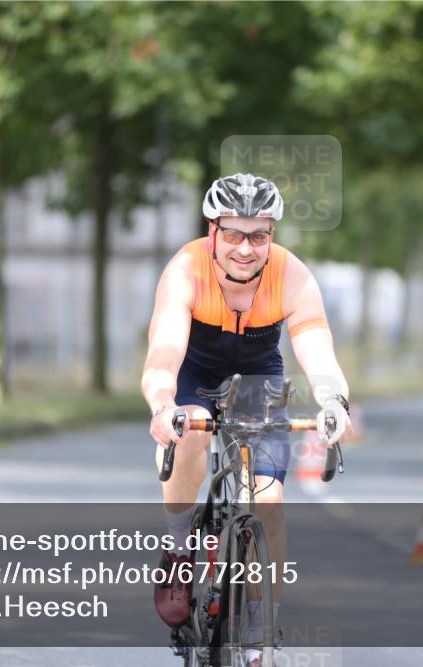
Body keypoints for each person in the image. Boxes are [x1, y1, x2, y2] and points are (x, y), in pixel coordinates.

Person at [141, 173, 353, 659]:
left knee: (270, 499)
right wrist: (161, 404)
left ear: (272, 235)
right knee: (190, 429)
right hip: (193, 372)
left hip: (258, 376)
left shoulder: (292, 275)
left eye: (259, 234)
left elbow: (317, 351)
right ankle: (179, 550)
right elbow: (164, 352)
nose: (245, 248)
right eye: (233, 233)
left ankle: (260, 625)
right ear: (212, 230)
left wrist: (334, 402)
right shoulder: (185, 270)